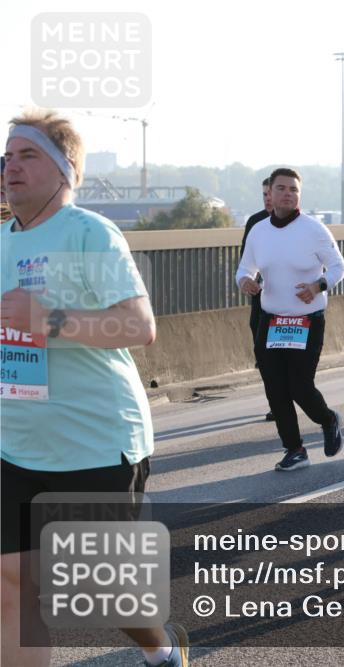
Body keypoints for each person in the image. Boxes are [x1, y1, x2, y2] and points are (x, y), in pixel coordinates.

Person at [1, 110, 188, 667]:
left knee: (107, 593)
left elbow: (139, 327)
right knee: (11, 586)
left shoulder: (89, 233)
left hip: (94, 444)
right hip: (15, 445)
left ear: (65, 169)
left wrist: (49, 321)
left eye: (27, 155)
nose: (11, 165)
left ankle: (161, 648)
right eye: (7, 156)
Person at [236, 168, 344, 471]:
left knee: (300, 387)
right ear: (269, 194)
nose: (288, 194)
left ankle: (328, 419)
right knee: (275, 388)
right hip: (270, 321)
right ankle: (294, 449)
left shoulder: (313, 229)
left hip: (306, 321)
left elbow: (339, 268)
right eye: (282, 189)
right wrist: (246, 281)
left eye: (294, 190)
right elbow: (245, 269)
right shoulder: (259, 230)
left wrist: (318, 286)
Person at [240, 177, 275, 421]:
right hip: (260, 302)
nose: (267, 198)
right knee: (263, 354)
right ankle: (276, 402)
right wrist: (246, 279)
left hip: (287, 304)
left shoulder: (302, 225)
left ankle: (291, 397)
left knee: (284, 355)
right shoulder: (255, 222)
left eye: (270, 193)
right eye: (263, 194)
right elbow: (245, 262)